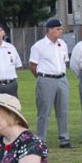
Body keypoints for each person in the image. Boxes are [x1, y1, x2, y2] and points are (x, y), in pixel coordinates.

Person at [27, 18, 72, 147]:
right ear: (50, 30)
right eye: (58, 29)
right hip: (46, 79)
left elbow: (64, 61)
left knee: (62, 110)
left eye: (61, 29)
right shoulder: (39, 46)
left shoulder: (62, 44)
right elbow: (32, 66)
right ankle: (40, 140)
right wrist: (42, 79)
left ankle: (64, 139)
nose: (60, 31)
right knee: (44, 112)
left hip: (62, 79)